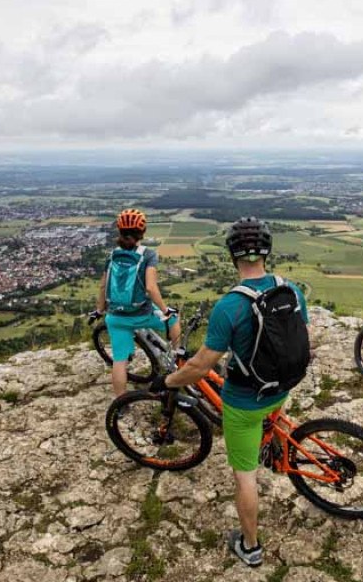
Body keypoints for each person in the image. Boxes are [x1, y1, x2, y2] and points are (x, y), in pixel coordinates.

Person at [147, 217, 308, 568]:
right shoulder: (290, 289)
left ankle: (250, 546)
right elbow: (298, 335)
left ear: (232, 255)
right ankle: (272, 439)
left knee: (244, 476)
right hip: (284, 386)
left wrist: (168, 382)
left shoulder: (228, 307)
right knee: (268, 417)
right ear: (267, 251)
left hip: (244, 402)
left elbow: (202, 365)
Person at [94, 208, 180, 396]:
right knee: (174, 319)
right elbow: (150, 287)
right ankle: (179, 361)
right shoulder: (148, 254)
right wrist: (166, 311)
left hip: (115, 317)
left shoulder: (112, 255)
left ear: (120, 231)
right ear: (143, 231)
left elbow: (103, 286)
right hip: (142, 314)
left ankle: (120, 404)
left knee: (119, 361)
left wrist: (100, 311)